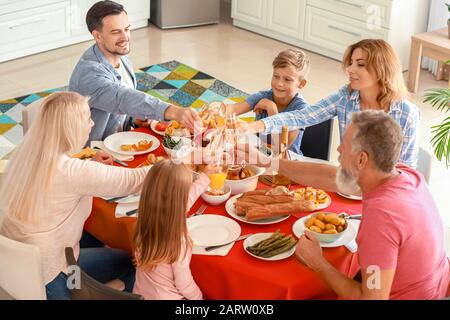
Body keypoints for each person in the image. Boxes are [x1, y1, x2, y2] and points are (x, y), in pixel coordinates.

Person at [237, 110, 449, 300]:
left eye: (344, 145)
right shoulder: (402, 174)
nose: (337, 149)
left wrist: (317, 263)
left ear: (361, 160)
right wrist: (268, 161)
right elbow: (331, 177)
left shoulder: (381, 218)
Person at [0, 92, 152, 300]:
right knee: (133, 264)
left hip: (16, 268)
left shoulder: (27, 154)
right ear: (70, 128)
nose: (91, 124)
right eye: (87, 118)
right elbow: (135, 180)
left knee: (101, 244)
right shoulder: (73, 171)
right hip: (54, 275)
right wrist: (183, 161)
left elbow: (64, 176)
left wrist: (89, 167)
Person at [241, 39, 420, 168]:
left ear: (382, 69)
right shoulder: (346, 96)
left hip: (382, 191)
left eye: (360, 64)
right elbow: (304, 116)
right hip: (345, 179)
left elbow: (406, 171)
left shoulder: (405, 113)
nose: (350, 69)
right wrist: (255, 126)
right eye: (350, 63)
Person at [69, 0, 201, 143]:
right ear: (97, 36)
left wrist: (134, 118)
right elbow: (122, 98)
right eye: (116, 32)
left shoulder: (120, 56)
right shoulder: (89, 74)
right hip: (93, 152)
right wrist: (172, 111)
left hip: (119, 140)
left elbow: (122, 103)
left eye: (126, 29)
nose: (125, 37)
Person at [133, 160, 212, 300]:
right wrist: (200, 298)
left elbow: (181, 202)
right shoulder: (178, 240)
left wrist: (204, 178)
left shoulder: (143, 222)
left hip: (141, 295)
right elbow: (184, 285)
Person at [226, 48, 309, 154]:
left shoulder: (301, 109)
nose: (279, 83)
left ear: (301, 83)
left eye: (287, 79)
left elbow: (281, 147)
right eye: (276, 76)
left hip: (286, 162)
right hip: (260, 154)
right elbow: (233, 109)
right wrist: (214, 110)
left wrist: (272, 108)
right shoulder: (263, 96)